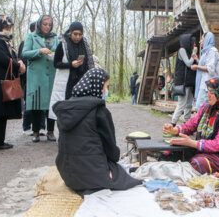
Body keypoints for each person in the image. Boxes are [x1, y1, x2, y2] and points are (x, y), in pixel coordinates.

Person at [54, 68, 142, 197]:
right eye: (105, 87)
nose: (105, 91)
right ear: (97, 85)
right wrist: (113, 164)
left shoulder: (65, 109)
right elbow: (111, 150)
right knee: (124, 175)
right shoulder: (99, 111)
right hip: (92, 176)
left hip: (67, 175)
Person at [163, 77, 219, 174]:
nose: (208, 95)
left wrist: (191, 143)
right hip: (207, 152)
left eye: (212, 93)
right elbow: (191, 125)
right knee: (170, 153)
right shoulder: (207, 108)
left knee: (198, 163)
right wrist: (174, 130)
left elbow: (217, 145)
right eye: (208, 92)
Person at [0, 14, 26, 149]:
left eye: (10, 26)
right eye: (6, 26)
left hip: (0, 80)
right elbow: (3, 59)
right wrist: (18, 66)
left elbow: (9, 57)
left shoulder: (2, 40)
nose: (8, 29)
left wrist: (18, 61)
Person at [22, 15, 58, 142]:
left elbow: (58, 53)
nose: (47, 27)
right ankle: (36, 132)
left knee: (51, 104)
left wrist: (56, 55)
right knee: (36, 104)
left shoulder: (55, 37)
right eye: (45, 24)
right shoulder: (31, 36)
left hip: (51, 75)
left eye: (50, 24)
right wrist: (39, 51)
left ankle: (50, 131)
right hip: (36, 76)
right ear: (39, 24)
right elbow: (25, 53)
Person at [49, 21, 94, 119]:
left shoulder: (85, 45)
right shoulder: (62, 45)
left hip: (82, 81)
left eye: (80, 34)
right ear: (70, 33)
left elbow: (89, 63)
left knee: (81, 111)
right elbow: (56, 64)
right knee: (68, 110)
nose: (78, 37)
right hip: (67, 82)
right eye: (75, 34)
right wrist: (71, 64)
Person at [18, 22, 46, 135]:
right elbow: (22, 59)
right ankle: (26, 127)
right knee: (29, 103)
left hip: (42, 77)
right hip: (29, 78)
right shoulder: (25, 43)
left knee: (42, 102)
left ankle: (41, 126)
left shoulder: (45, 43)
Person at [171, 34, 197, 125]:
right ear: (188, 42)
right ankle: (173, 122)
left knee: (189, 104)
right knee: (182, 104)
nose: (194, 45)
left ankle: (187, 122)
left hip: (190, 82)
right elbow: (189, 64)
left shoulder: (189, 52)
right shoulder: (182, 50)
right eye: (193, 43)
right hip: (183, 82)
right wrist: (194, 54)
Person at [192, 32, 219, 111]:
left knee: (200, 107)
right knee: (203, 107)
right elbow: (207, 65)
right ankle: (206, 122)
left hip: (208, 85)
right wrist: (197, 60)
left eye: (202, 39)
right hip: (204, 84)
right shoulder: (206, 52)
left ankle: (205, 123)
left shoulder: (212, 51)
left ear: (207, 40)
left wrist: (197, 66)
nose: (200, 41)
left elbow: (210, 69)